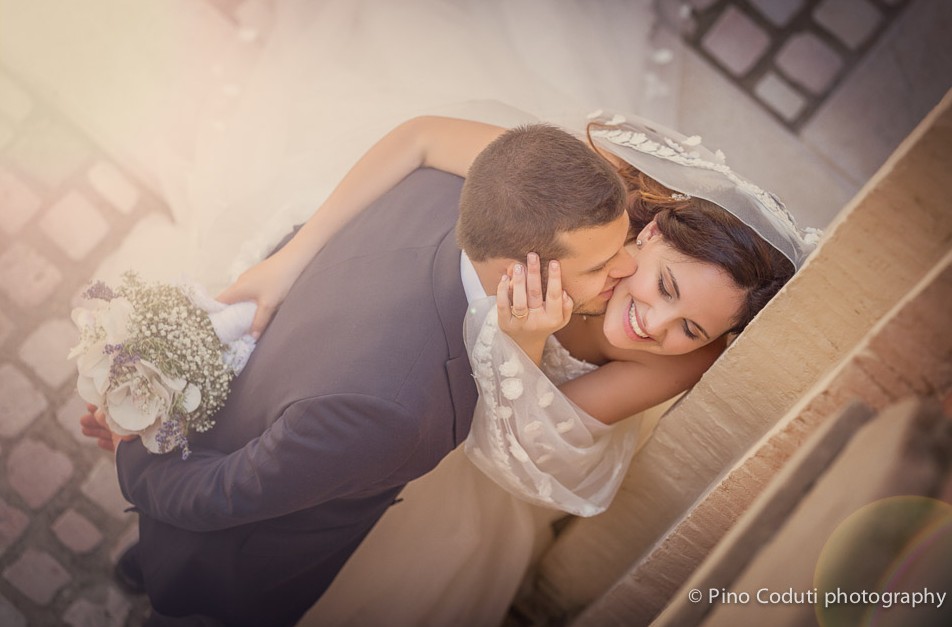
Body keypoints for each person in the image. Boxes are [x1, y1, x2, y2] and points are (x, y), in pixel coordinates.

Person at [87, 113, 812, 625]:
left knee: (337, 536)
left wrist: (524, 345)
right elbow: (422, 138)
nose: (655, 325)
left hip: (487, 449)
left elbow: (515, 451)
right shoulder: (571, 202)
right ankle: (168, 551)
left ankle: (188, 572)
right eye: (664, 286)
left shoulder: (679, 358)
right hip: (397, 372)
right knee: (277, 425)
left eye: (690, 329)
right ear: (646, 230)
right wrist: (293, 257)